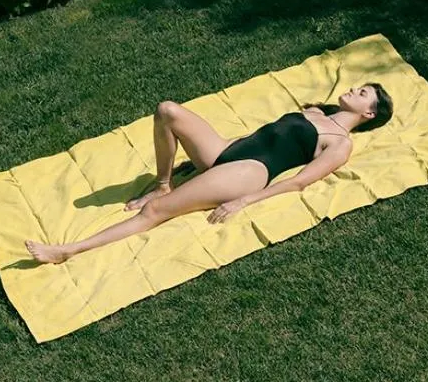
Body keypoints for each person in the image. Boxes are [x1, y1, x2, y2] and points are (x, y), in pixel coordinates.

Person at [25, 83, 394, 265]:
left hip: (249, 172)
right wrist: (201, 156)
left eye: (362, 93)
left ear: (369, 114)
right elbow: (261, 134)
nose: (351, 90)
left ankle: (67, 251)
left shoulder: (341, 143)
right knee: (167, 110)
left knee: (154, 213)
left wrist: (245, 199)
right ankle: (163, 181)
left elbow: (299, 181)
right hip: (230, 151)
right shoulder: (317, 112)